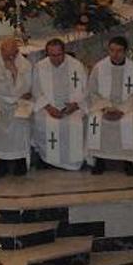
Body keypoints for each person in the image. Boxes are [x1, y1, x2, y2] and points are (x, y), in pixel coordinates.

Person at [86, 37, 133, 176]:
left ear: (125, 52)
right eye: (112, 50)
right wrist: (106, 107)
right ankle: (99, 159)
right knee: (96, 119)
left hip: (126, 108)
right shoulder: (99, 68)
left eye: (119, 51)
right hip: (104, 107)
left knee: (129, 121)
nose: (115, 54)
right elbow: (92, 92)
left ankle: (128, 160)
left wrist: (122, 110)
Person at [31, 38, 87, 171]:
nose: (55, 59)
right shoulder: (40, 66)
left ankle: (73, 161)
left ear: (64, 52)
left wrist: (74, 105)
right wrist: (49, 108)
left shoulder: (76, 66)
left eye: (58, 55)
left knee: (75, 123)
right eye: (52, 55)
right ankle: (47, 159)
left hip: (72, 107)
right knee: (43, 121)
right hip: (49, 107)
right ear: (47, 54)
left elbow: (85, 89)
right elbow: (36, 90)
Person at [0, 38, 33, 177]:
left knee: (19, 121)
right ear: (1, 50)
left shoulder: (25, 64)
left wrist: (15, 72)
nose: (10, 58)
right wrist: (9, 76)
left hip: (18, 102)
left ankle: (19, 161)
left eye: (13, 54)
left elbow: (26, 87)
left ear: (17, 52)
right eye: (7, 55)